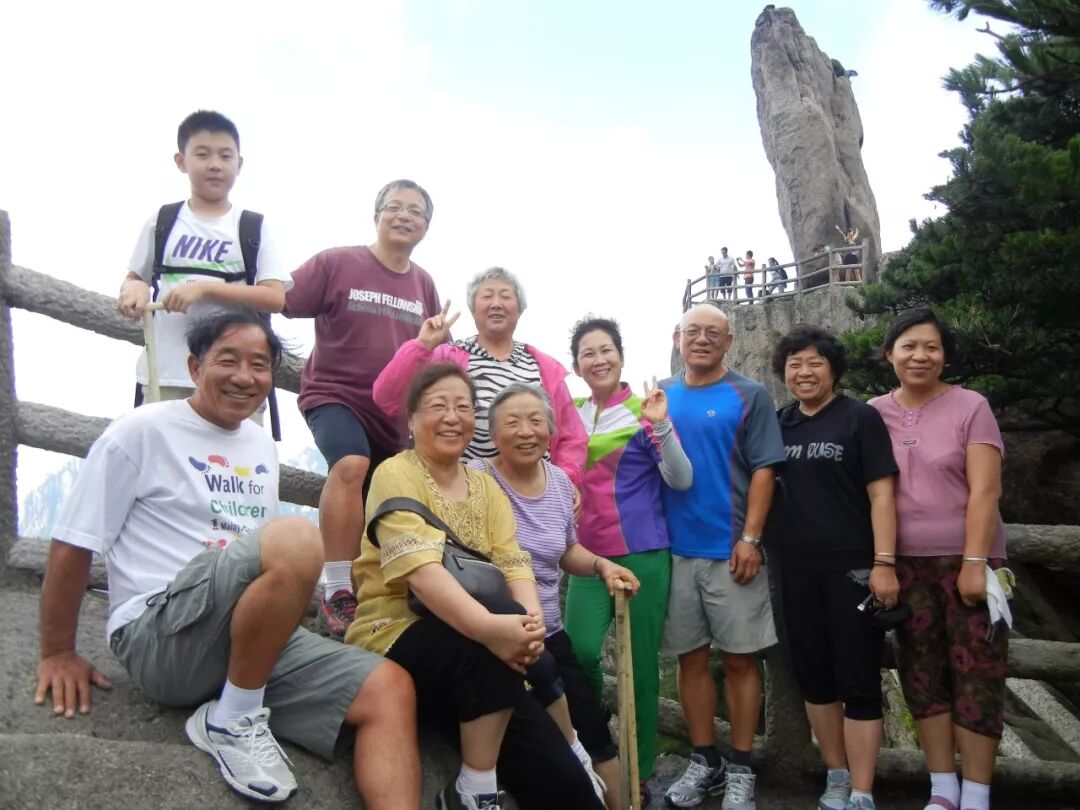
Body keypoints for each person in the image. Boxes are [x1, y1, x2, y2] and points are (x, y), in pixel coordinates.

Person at [34, 309, 419, 808]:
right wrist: (57, 652)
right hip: (162, 633)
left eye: (259, 365)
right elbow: (74, 541)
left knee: (390, 687)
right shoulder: (141, 431)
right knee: (298, 539)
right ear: (194, 367)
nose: (244, 376)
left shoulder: (259, 444)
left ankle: (239, 701)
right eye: (228, 360)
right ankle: (232, 719)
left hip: (245, 638)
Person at [347, 363, 605, 810]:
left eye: (463, 407)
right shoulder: (396, 473)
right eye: (438, 406)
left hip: (486, 651)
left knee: (569, 788)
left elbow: (513, 561)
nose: (452, 417)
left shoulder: (485, 487)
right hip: (398, 629)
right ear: (411, 419)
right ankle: (475, 789)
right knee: (489, 643)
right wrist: (492, 629)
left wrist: (529, 625)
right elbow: (420, 572)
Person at [283, 179, 443, 638]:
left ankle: (373, 600)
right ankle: (336, 589)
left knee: (387, 504)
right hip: (334, 394)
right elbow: (282, 296)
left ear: (426, 227)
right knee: (351, 464)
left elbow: (436, 352)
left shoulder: (423, 284)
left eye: (415, 211)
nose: (404, 216)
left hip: (391, 417)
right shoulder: (338, 262)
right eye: (394, 206)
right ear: (376, 216)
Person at [471, 382, 642, 810]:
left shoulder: (561, 483)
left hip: (549, 630)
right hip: (496, 637)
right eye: (512, 422)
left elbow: (566, 551)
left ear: (550, 430)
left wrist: (602, 565)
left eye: (536, 421)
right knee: (541, 749)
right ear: (493, 434)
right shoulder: (475, 479)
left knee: (595, 734)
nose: (526, 431)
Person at [869, 309, 1007, 810]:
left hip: (967, 562)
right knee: (921, 673)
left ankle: (977, 794)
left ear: (945, 355)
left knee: (978, 675)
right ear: (890, 354)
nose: (920, 356)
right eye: (909, 346)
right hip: (904, 564)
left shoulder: (971, 406)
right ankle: (943, 789)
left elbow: (986, 490)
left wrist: (975, 560)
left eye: (931, 346)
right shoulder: (873, 412)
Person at [660, 304, 786, 809]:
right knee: (689, 659)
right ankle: (704, 760)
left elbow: (765, 470)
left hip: (731, 549)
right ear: (677, 337)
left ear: (729, 341)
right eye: (693, 331)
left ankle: (740, 766)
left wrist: (751, 539)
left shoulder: (749, 395)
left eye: (714, 332)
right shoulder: (660, 396)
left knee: (739, 660)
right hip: (674, 550)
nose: (702, 339)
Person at [770, 326, 899, 810]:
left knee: (858, 675)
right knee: (814, 675)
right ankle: (837, 775)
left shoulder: (860, 418)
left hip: (853, 568)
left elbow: (882, 495)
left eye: (815, 362)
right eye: (795, 364)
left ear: (834, 369)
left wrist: (884, 562)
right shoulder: (780, 423)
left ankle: (863, 790)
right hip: (795, 568)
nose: (804, 372)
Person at [565, 315, 693, 802]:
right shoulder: (570, 414)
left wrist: (660, 425)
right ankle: (596, 740)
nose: (598, 359)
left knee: (638, 668)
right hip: (585, 556)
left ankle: (640, 768)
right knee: (578, 653)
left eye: (606, 350)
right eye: (588, 353)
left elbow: (681, 478)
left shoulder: (647, 408)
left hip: (641, 550)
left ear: (621, 356)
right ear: (577, 365)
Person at [117, 110, 290, 413]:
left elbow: (274, 297)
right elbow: (135, 279)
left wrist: (204, 289)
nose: (215, 165)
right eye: (202, 154)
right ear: (181, 161)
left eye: (225, 156)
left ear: (239, 163)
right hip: (164, 376)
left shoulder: (252, 227)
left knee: (235, 447)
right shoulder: (162, 221)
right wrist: (134, 290)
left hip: (235, 381)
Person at [372, 266, 587, 484]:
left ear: (519, 309)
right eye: (487, 296)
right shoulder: (447, 358)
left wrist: (565, 482)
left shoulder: (544, 366)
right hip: (463, 489)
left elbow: (571, 437)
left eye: (506, 296)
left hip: (534, 493)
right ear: (473, 309)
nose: (496, 303)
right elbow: (387, 398)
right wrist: (422, 345)